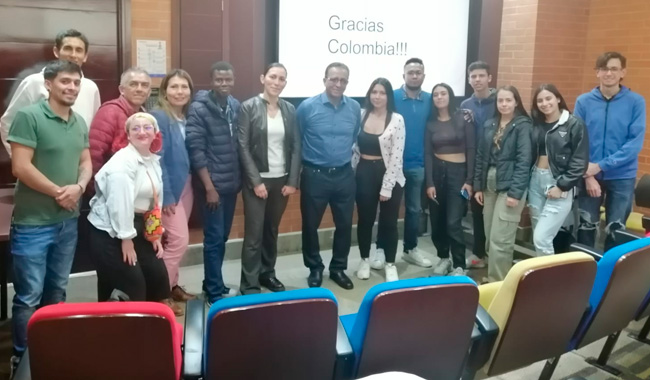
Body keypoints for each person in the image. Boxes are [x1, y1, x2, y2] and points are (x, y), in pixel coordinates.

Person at [7, 60, 92, 371]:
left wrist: (80, 187)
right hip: (33, 224)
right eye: (65, 81)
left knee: (57, 289)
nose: (71, 87)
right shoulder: (29, 117)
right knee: (29, 295)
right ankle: (23, 357)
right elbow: (21, 167)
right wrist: (60, 192)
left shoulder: (79, 121)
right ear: (48, 84)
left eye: (76, 83)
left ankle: (51, 348)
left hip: (67, 222)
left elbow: (86, 162)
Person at [88, 112, 182, 315]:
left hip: (137, 224)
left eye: (147, 127)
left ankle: (150, 330)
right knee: (133, 284)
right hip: (111, 231)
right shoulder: (122, 163)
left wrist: (154, 233)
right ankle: (125, 333)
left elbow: (153, 200)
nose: (142, 132)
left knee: (157, 276)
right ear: (127, 135)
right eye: (135, 128)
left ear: (155, 133)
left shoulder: (151, 160)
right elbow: (119, 205)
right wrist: (126, 239)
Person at [237, 63, 301, 294]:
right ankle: (250, 283)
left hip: (281, 181)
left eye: (281, 78)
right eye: (273, 77)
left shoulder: (289, 109)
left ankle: (267, 274)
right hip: (258, 182)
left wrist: (292, 181)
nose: (276, 82)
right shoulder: (248, 107)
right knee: (254, 235)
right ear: (263, 78)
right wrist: (256, 182)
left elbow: (295, 146)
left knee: (271, 231)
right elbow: (242, 147)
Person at [297, 62, 360, 290]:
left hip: (344, 175)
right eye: (334, 79)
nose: (338, 84)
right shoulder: (307, 107)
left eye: (343, 80)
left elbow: (353, 136)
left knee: (344, 224)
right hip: (315, 175)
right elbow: (298, 138)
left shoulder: (354, 108)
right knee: (310, 225)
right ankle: (315, 268)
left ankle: (338, 268)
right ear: (324, 80)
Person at [575, 51, 646, 251]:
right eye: (604, 69)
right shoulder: (584, 102)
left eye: (614, 69)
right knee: (586, 227)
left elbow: (634, 144)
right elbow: (577, 140)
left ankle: (612, 275)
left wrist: (601, 165)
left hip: (622, 176)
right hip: (589, 175)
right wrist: (588, 174)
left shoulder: (636, 102)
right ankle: (586, 273)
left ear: (622, 72)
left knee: (617, 230)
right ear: (597, 72)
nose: (609, 73)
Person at [186, 61, 241, 304]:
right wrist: (209, 188)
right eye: (219, 80)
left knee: (222, 238)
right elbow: (196, 150)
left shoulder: (235, 105)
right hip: (212, 189)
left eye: (228, 79)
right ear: (211, 82)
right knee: (214, 239)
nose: (224, 84)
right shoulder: (199, 109)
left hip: (230, 186)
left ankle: (212, 283)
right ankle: (214, 292)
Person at [1, 29, 100, 156]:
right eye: (68, 48)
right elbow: (9, 123)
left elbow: (94, 131)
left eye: (79, 50)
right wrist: (20, 160)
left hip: (76, 163)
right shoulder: (34, 82)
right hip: (38, 165)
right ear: (56, 52)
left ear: (85, 56)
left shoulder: (91, 88)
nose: (73, 55)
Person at [377, 58, 432, 269]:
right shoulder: (392, 99)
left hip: (417, 164)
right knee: (387, 210)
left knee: (414, 210)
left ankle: (411, 249)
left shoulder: (429, 99)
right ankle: (381, 249)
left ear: (423, 76)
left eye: (418, 72)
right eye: (411, 72)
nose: (414, 75)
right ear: (404, 75)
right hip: (390, 165)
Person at [474, 86, 532, 282]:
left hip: (510, 187)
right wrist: (478, 186)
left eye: (508, 100)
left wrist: (516, 193)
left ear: (516, 102)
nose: (504, 104)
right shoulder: (490, 124)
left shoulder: (523, 125)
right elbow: (481, 156)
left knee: (501, 240)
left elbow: (524, 161)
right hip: (489, 184)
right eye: (500, 100)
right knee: (491, 238)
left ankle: (499, 284)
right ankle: (496, 278)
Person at [151, 69, 196, 303]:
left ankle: (173, 286)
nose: (180, 92)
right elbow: (158, 158)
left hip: (186, 185)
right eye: (174, 87)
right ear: (165, 91)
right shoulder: (159, 117)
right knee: (179, 241)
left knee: (172, 241)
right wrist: (167, 196)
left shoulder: (186, 117)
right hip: (169, 189)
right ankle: (161, 294)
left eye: (184, 87)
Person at [353, 78, 405, 282]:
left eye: (382, 92)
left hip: (389, 174)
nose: (377, 96)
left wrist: (387, 187)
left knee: (389, 222)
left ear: (388, 96)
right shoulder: (360, 114)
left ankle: (390, 264)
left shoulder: (397, 119)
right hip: (364, 171)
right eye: (374, 91)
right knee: (365, 220)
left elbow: (396, 156)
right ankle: (364, 259)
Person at [528, 84, 589, 255]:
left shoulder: (573, 124)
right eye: (540, 100)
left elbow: (579, 161)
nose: (544, 103)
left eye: (548, 98)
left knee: (542, 238)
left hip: (557, 184)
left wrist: (562, 186)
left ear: (558, 99)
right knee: (538, 237)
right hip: (535, 182)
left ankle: (550, 279)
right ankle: (541, 275)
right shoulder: (537, 125)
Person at [425, 83, 475, 276]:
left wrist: (469, 180)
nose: (439, 97)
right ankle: (444, 258)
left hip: (458, 174)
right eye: (435, 94)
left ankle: (459, 265)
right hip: (437, 174)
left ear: (450, 95)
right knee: (437, 221)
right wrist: (429, 182)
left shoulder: (463, 118)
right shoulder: (430, 122)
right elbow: (428, 153)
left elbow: (471, 149)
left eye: (443, 93)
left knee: (453, 222)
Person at [460, 61, 496, 269]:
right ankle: (479, 254)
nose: (477, 80)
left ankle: (495, 255)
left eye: (481, 76)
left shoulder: (501, 100)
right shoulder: (466, 105)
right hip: (474, 165)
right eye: (473, 76)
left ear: (489, 78)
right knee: (477, 212)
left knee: (494, 215)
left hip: (496, 165)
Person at [89, 67, 153, 177]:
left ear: (149, 92)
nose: (139, 89)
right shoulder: (109, 112)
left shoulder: (145, 117)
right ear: (122, 90)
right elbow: (94, 156)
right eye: (133, 84)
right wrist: (97, 189)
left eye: (144, 85)